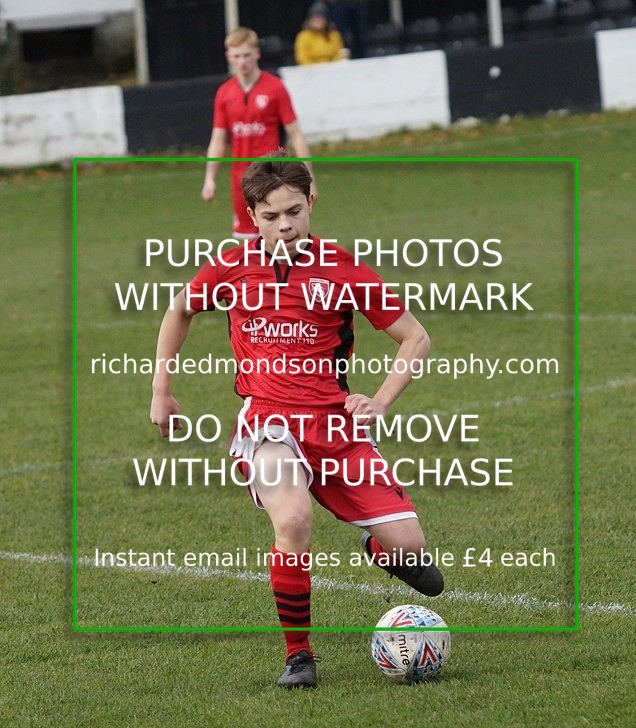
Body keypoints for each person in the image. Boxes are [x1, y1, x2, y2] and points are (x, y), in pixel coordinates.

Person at [152, 158, 444, 689]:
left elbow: (415, 336)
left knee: (408, 546)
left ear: (312, 203)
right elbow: (179, 311)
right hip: (269, 426)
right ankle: (299, 657)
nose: (284, 225)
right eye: (270, 215)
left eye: (293, 211)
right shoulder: (230, 266)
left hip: (334, 427)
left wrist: (379, 401)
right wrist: (161, 390)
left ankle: (381, 547)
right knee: (292, 521)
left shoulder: (343, 268)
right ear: (252, 216)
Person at [201, 27, 316, 239]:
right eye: (237, 56)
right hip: (241, 182)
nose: (242, 61)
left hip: (274, 178)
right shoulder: (224, 93)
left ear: (257, 53)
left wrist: (310, 179)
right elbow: (218, 139)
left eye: (246, 55)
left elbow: (296, 135)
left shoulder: (275, 88)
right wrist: (210, 178)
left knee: (281, 240)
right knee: (247, 247)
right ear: (229, 57)